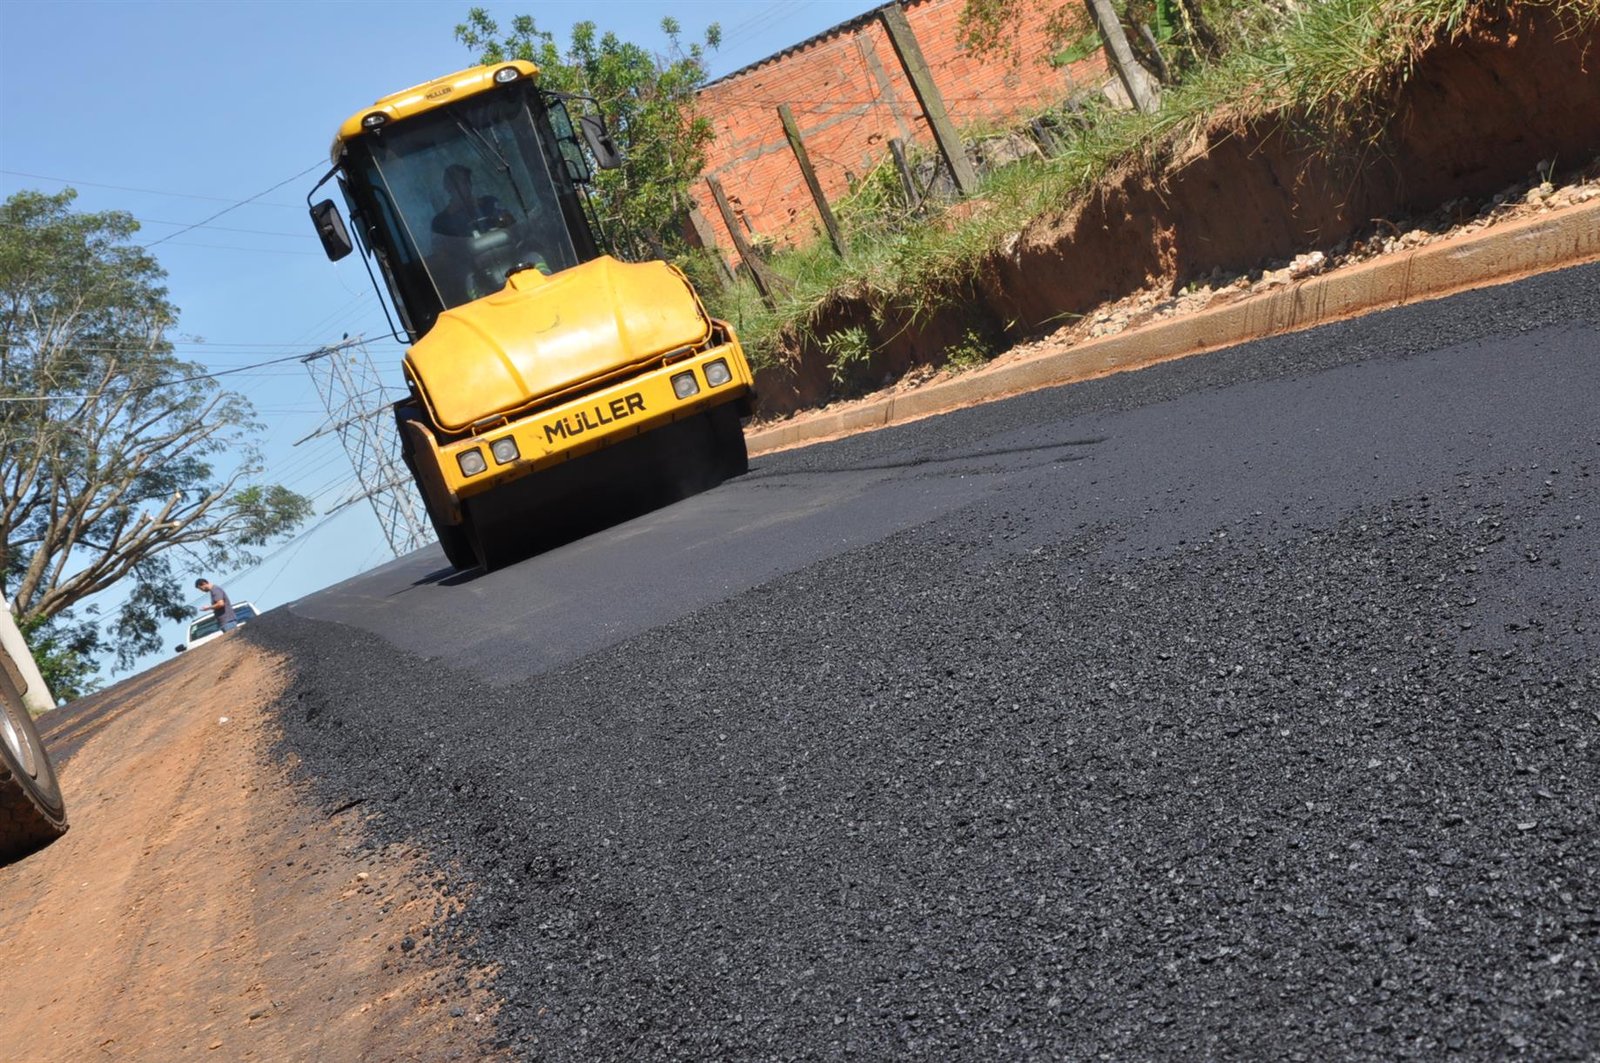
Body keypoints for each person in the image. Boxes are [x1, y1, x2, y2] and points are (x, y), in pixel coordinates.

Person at [431, 164, 513, 237]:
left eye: (468, 180)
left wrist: (501, 220)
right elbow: (443, 251)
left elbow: (511, 224)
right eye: (463, 182)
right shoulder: (440, 223)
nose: (467, 185)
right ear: (449, 187)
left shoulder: (490, 203)